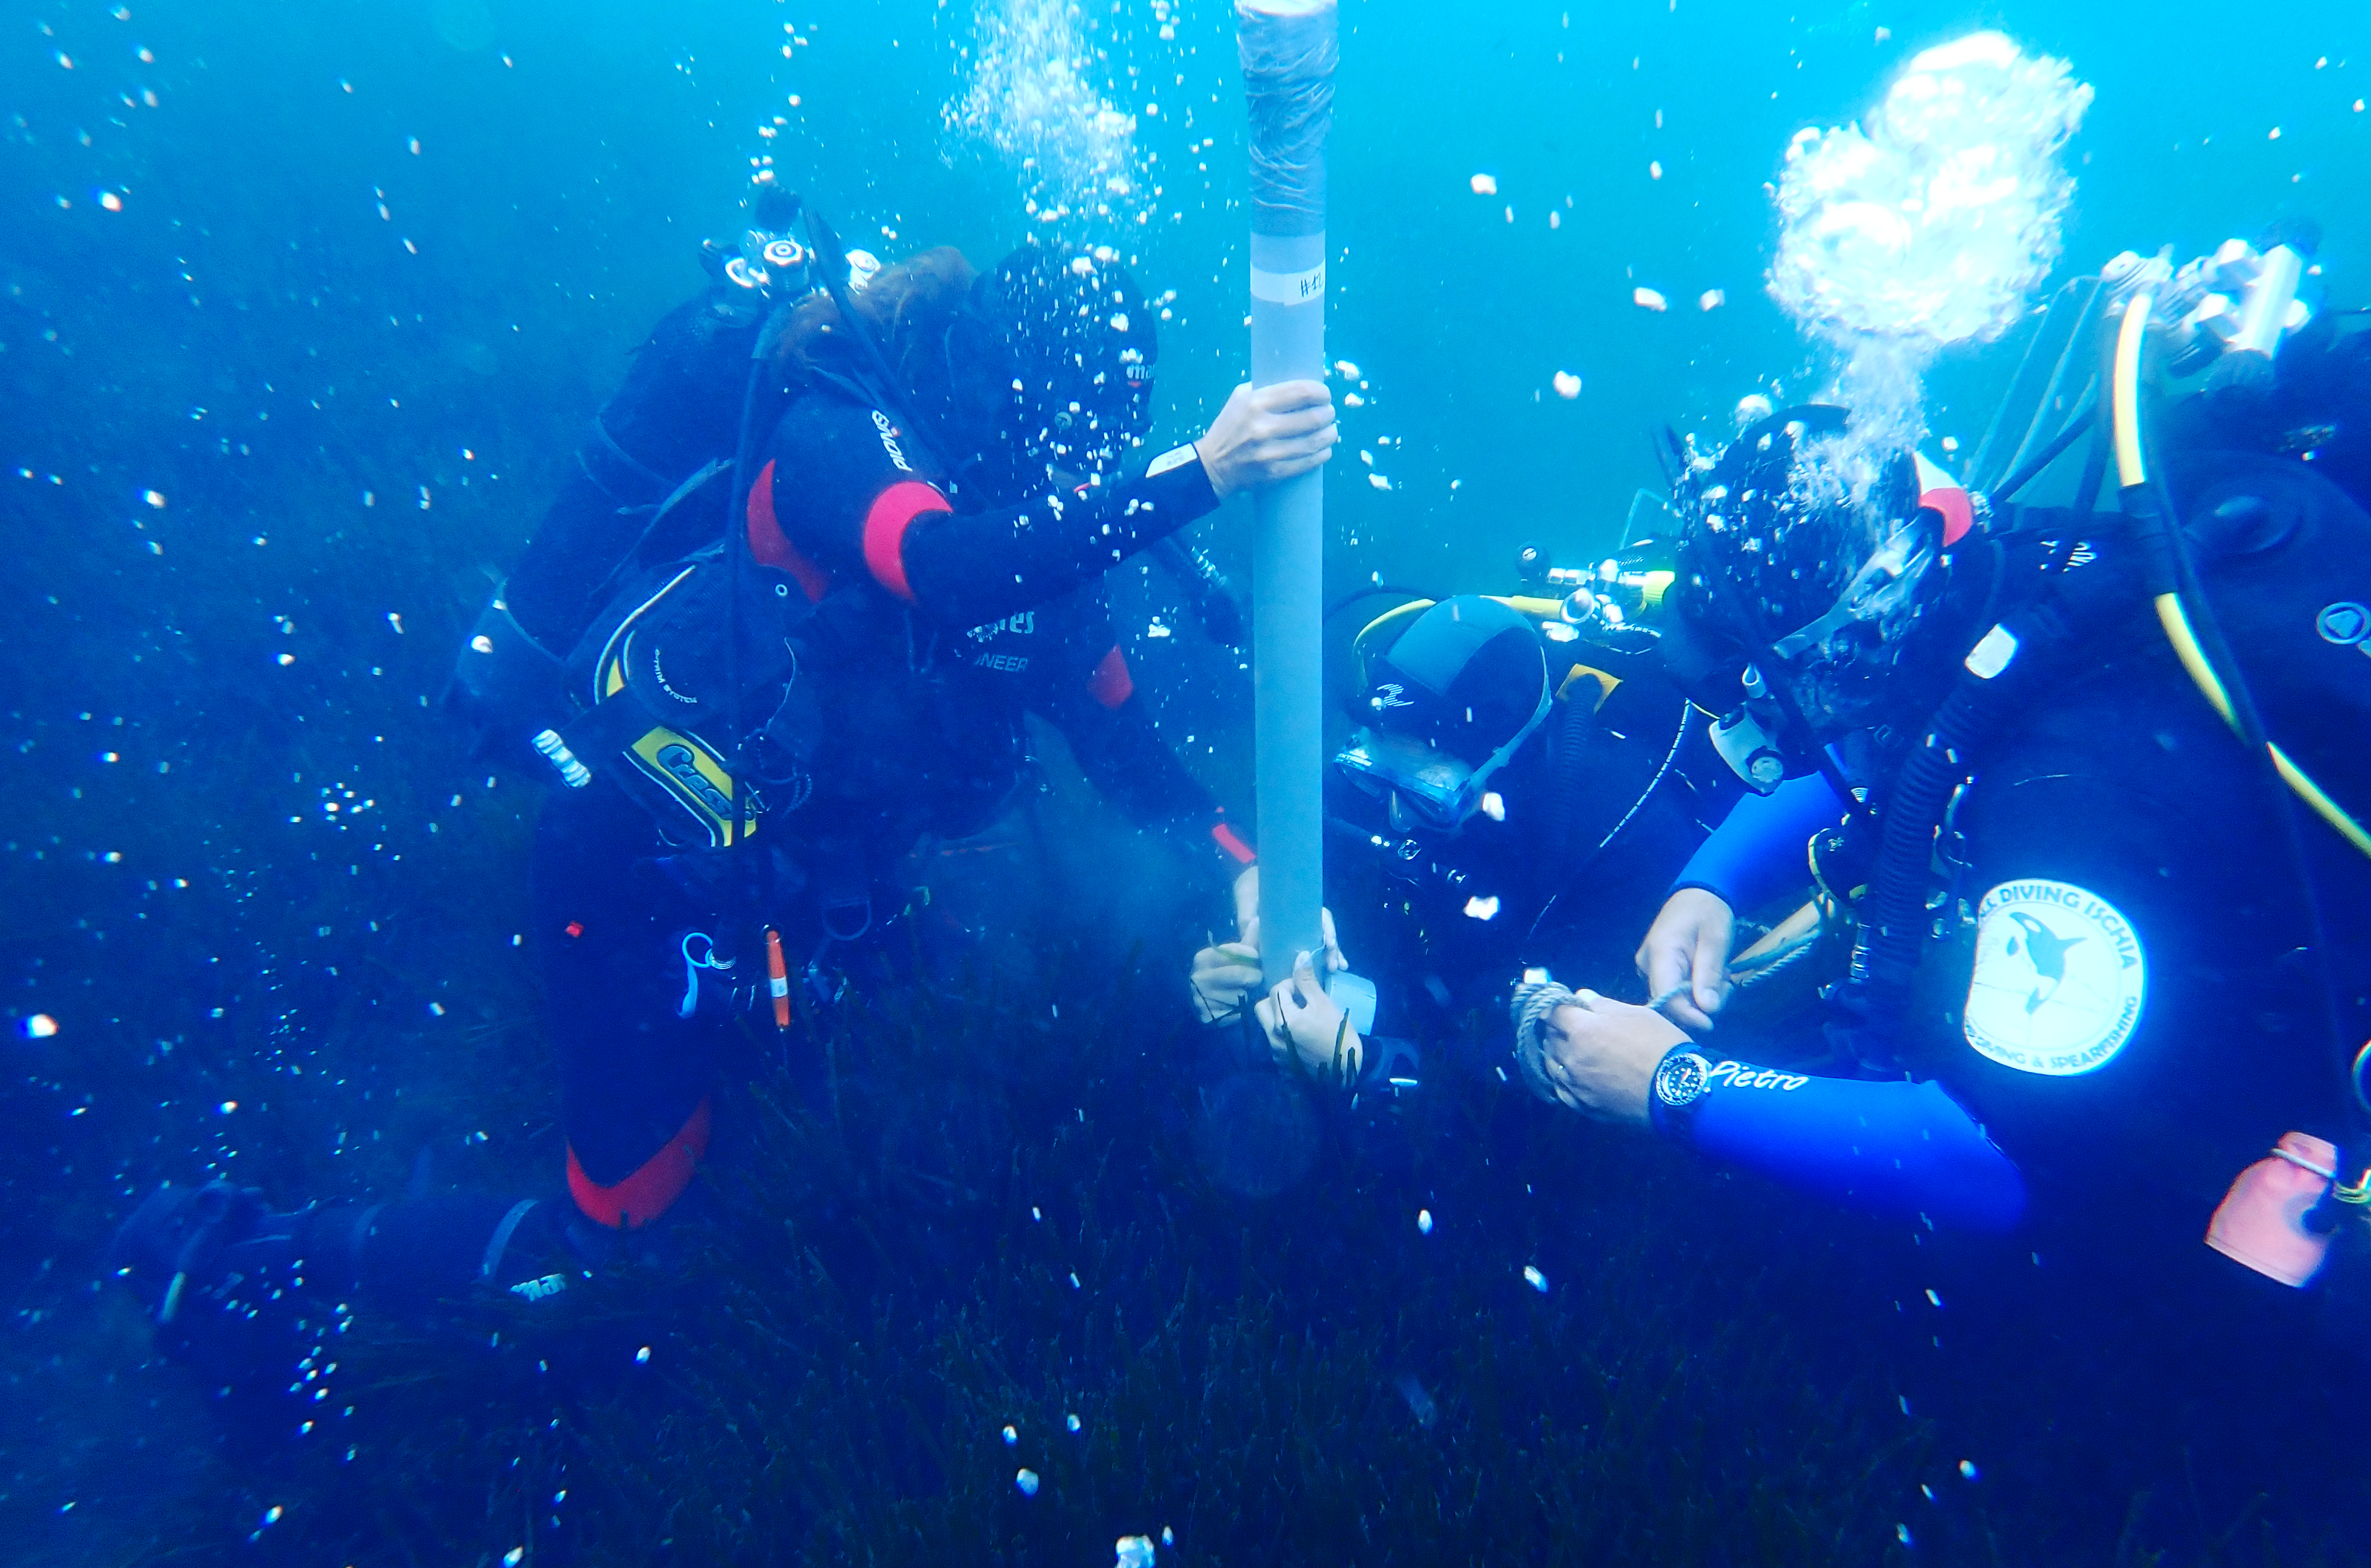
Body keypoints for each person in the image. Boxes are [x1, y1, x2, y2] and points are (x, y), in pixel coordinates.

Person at [109, 194, 1338, 1370]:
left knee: (911, 1147)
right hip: (639, 865)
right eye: (1062, 437)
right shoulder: (838, 437)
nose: (1073, 473)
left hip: (802, 890)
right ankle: (264, 1251)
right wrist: (1203, 472)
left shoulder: (1054, 567)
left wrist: (1253, 880)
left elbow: (1145, 775)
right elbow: (943, 566)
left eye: (1097, 446)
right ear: (994, 389)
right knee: (620, 1262)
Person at [1516, 237, 2371, 1303]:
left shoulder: (2075, 801)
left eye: (1771, 682)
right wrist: (1715, 880)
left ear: (1857, 638)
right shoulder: (2027, 593)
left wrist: (1672, 1087)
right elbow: (1917, 731)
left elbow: (1992, 1160)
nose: (1752, 711)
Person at [1188, 550, 1741, 1097]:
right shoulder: (1389, 751)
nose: (1396, 817)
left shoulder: (1618, 834)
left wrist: (1367, 1067)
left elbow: (1541, 1070)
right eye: (1372, 775)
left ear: (1504, 766)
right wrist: (1258, 907)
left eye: (1430, 797)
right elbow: (1254, 835)